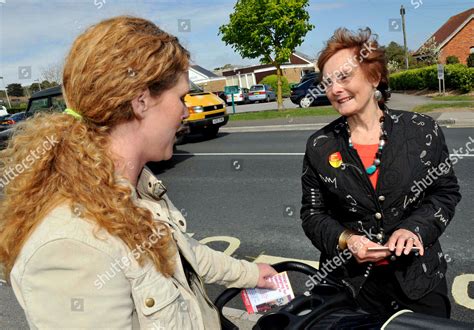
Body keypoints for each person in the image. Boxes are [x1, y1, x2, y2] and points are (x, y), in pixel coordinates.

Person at [0, 16, 276, 329]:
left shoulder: (135, 189)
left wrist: (251, 273)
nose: (185, 112)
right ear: (141, 101)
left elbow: (182, 254)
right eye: (181, 98)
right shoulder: (69, 247)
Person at [300, 28, 461, 319]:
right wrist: (348, 240)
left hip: (418, 279)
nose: (335, 89)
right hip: (352, 286)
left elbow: (444, 192)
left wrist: (414, 228)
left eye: (344, 77)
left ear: (374, 78)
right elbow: (313, 214)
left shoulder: (422, 130)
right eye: (327, 82)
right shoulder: (319, 145)